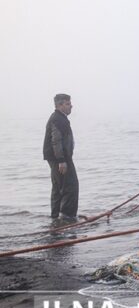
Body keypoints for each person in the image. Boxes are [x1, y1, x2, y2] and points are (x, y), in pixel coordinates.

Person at [43, 93, 79, 221]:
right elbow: (56, 141)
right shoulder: (58, 119)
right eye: (68, 104)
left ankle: (56, 217)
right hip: (60, 158)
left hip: (59, 158)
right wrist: (61, 161)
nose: (71, 106)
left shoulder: (59, 118)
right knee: (71, 186)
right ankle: (67, 217)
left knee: (58, 187)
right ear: (60, 105)